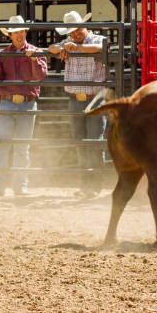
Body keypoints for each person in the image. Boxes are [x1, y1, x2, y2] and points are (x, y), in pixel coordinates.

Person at [0, 15, 47, 196]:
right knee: (2, 145)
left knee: (21, 147)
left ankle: (19, 187)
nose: (19, 35)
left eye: (21, 31)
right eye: (15, 32)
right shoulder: (4, 54)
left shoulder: (36, 52)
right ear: (10, 35)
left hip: (24, 104)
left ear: (25, 32)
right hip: (8, 102)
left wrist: (34, 59)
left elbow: (41, 76)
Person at [48, 11, 106, 198]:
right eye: (72, 32)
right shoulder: (68, 43)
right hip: (76, 99)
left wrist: (75, 48)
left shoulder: (97, 39)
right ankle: (86, 185)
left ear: (84, 26)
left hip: (94, 98)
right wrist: (63, 47)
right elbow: (51, 49)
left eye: (77, 29)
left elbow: (99, 47)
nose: (75, 34)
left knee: (94, 142)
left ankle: (93, 186)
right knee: (81, 143)